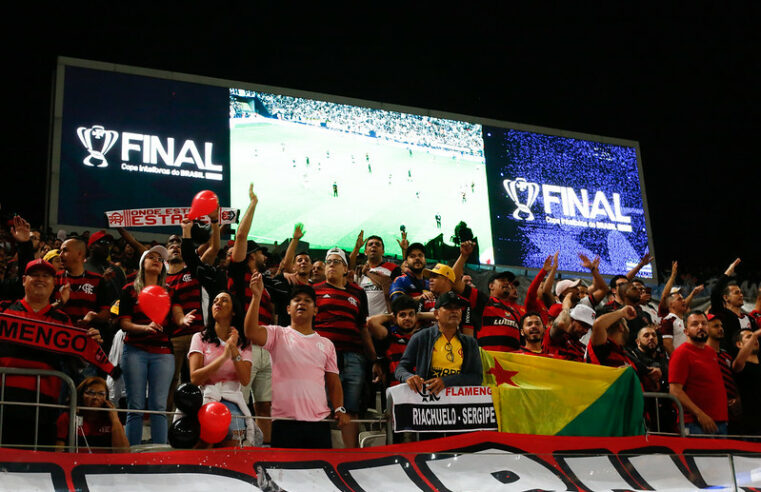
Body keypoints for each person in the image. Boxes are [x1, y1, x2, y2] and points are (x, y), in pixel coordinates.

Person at [244, 280, 350, 449]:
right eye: (297, 300)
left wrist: (339, 408)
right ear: (288, 308)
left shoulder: (327, 344)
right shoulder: (277, 334)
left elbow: (333, 381)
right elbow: (250, 332)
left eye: (307, 300)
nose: (301, 303)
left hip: (318, 424)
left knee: (318, 473)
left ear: (315, 310)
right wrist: (256, 296)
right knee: (285, 474)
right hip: (284, 423)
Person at [118, 245, 195, 445]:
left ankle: (160, 453)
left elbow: (177, 313)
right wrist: (145, 328)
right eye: (151, 257)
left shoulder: (169, 292)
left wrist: (182, 320)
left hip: (162, 353)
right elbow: (124, 323)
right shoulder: (128, 290)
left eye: (160, 259)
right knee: (135, 405)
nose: (156, 261)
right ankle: (131, 453)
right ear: (142, 264)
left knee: (159, 407)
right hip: (135, 350)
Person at [313, 247, 373, 448]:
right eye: (328, 261)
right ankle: (327, 454)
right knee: (325, 406)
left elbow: (362, 326)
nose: (330, 265)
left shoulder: (358, 293)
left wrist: (374, 359)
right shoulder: (314, 290)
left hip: (354, 356)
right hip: (323, 357)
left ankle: (351, 455)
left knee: (351, 408)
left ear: (346, 268)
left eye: (336, 261)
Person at [188, 291, 262, 447]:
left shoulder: (244, 342)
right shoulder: (199, 337)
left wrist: (233, 350)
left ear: (234, 310)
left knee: (231, 448)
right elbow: (195, 379)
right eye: (215, 300)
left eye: (224, 300)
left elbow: (245, 379)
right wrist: (223, 356)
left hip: (232, 400)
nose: (218, 303)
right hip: (205, 398)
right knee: (201, 446)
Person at [395, 291, 483, 394]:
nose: (454, 311)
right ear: (436, 314)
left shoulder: (470, 342)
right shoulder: (421, 337)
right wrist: (408, 377)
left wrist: (446, 382)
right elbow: (400, 368)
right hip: (428, 402)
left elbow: (477, 377)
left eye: (457, 308)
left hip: (458, 403)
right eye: (448, 307)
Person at [669, 310, 728, 436]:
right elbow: (674, 390)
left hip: (719, 420)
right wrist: (699, 414)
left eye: (704, 323)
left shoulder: (710, 352)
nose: (701, 327)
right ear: (686, 331)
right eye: (695, 324)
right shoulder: (681, 353)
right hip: (696, 423)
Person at [55, 376, 129, 452]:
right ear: (81, 395)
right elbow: (59, 451)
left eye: (101, 394)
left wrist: (115, 419)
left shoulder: (111, 420)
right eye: (90, 393)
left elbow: (123, 452)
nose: (95, 397)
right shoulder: (67, 418)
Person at [367, 294, 420, 388]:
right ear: (395, 318)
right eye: (402, 315)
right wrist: (391, 317)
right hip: (395, 391)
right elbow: (371, 322)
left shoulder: (423, 337)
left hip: (420, 391)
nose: (407, 318)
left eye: (411, 314)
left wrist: (420, 315)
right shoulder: (390, 336)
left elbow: (441, 318)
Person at [711, 259, 758, 350]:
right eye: (736, 293)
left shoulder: (750, 319)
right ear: (726, 298)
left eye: (741, 292)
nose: (741, 295)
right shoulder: (722, 315)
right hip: (731, 360)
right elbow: (715, 292)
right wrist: (729, 271)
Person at [705, 314, 741, 431]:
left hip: (733, 412)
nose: (721, 328)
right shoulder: (702, 355)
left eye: (721, 326)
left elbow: (735, 379)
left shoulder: (727, 356)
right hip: (713, 412)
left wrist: (737, 399)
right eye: (715, 326)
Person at [544, 296, 596, 362]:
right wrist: (566, 307)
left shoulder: (582, 348)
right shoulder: (556, 338)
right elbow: (561, 323)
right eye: (583, 325)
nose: (586, 330)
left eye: (588, 327)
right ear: (571, 320)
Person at [732, 328, 761, 435]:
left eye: (756, 338)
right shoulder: (739, 365)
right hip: (751, 424)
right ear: (739, 344)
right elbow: (738, 363)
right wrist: (755, 335)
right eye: (748, 337)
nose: (755, 340)